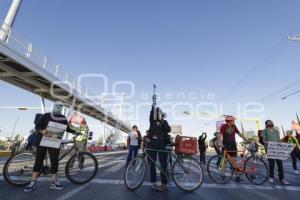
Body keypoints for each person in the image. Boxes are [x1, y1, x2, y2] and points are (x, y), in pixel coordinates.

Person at [24, 102, 76, 192]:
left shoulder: (63, 118)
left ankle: (54, 182)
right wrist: (42, 130)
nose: (58, 108)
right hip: (42, 140)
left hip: (54, 142)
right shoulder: (46, 115)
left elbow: (67, 128)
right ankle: (32, 182)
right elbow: (37, 126)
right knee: (38, 160)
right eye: (56, 106)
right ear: (53, 107)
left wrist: (76, 132)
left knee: (54, 161)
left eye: (60, 106)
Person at [219, 115, 250, 182]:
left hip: (233, 145)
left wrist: (247, 140)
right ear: (229, 121)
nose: (234, 121)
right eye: (233, 120)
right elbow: (221, 135)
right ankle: (223, 175)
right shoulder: (223, 126)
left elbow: (240, 134)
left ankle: (236, 176)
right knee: (224, 161)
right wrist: (221, 143)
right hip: (226, 146)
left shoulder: (234, 126)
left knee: (234, 162)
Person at [148, 106, 171, 192]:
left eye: (159, 113)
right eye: (156, 113)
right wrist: (153, 104)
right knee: (152, 163)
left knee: (163, 163)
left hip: (162, 142)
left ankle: (164, 184)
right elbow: (151, 113)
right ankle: (154, 182)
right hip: (153, 142)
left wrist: (162, 122)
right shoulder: (152, 121)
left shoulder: (164, 122)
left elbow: (168, 129)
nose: (158, 114)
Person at [262, 120, 290, 185]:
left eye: (271, 122)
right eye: (269, 122)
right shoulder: (264, 131)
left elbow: (278, 140)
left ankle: (282, 178)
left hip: (277, 149)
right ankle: (271, 177)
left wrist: (284, 141)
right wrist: (267, 142)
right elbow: (263, 140)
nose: (271, 123)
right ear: (266, 124)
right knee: (272, 163)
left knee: (280, 163)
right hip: (269, 149)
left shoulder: (276, 131)